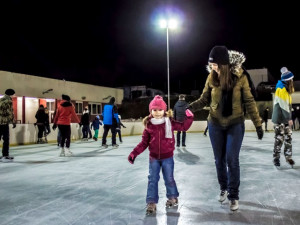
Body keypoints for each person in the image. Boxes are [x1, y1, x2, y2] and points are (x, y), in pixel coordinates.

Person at [189, 46, 263, 211]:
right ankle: (223, 187)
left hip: (235, 123)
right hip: (215, 123)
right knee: (219, 160)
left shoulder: (240, 77)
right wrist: (189, 108)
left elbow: (249, 101)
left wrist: (258, 124)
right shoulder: (211, 77)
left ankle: (233, 195)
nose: (213, 67)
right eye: (211, 64)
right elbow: (204, 99)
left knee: (232, 159)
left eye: (215, 64)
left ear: (223, 63)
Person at [127, 95, 194, 215]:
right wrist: (134, 153)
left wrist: (189, 117)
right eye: (154, 110)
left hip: (167, 157)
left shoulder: (170, 122)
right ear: (150, 111)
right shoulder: (149, 125)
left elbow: (183, 127)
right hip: (153, 158)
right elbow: (143, 143)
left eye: (160, 110)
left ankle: (173, 197)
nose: (157, 113)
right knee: (152, 179)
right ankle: (151, 202)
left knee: (169, 178)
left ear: (164, 110)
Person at [271, 67, 295, 167]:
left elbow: (287, 105)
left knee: (288, 138)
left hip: (285, 118)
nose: (292, 80)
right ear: (288, 80)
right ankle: (276, 158)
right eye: (291, 79)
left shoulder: (285, 88)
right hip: (280, 119)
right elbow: (283, 106)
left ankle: (288, 157)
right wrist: (289, 118)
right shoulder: (281, 88)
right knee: (279, 139)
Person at [0, 89, 16, 162]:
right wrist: (13, 122)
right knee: (6, 139)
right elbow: (10, 113)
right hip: (4, 122)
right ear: (11, 94)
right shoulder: (9, 101)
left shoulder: (1, 99)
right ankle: (5, 155)